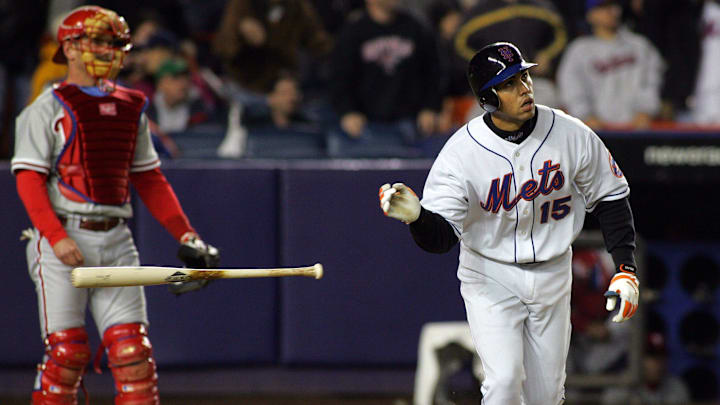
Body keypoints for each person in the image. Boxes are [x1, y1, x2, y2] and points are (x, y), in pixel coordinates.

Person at [378, 41, 640, 404]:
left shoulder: (570, 132)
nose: (525, 88)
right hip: (490, 274)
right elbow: (439, 239)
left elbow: (611, 197)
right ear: (488, 98)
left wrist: (625, 267)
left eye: (524, 76)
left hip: (552, 273)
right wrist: (417, 217)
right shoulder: (462, 153)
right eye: (510, 83)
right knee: (502, 384)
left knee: (546, 396)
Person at [11, 6, 219, 404]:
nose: (108, 50)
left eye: (114, 43)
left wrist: (186, 234)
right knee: (67, 353)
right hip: (62, 237)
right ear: (69, 48)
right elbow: (29, 181)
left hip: (116, 239)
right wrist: (55, 237)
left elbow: (149, 179)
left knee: (133, 355)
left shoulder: (130, 106)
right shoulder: (46, 107)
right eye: (98, 41)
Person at [328, 0, 443, 157]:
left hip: (410, 122)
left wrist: (430, 107)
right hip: (364, 125)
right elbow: (339, 76)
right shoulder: (353, 32)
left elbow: (434, 72)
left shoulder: (416, 28)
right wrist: (347, 111)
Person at [556, 0, 664, 130]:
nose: (611, 11)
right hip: (596, 130)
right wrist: (585, 115)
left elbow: (652, 80)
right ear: (590, 15)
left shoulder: (640, 45)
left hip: (638, 129)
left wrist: (646, 110)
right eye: (603, 7)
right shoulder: (579, 50)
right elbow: (571, 87)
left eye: (614, 5)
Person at [601, 332, 690, 404]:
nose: (658, 362)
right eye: (652, 357)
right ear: (638, 359)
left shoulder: (676, 387)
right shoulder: (622, 385)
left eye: (662, 356)